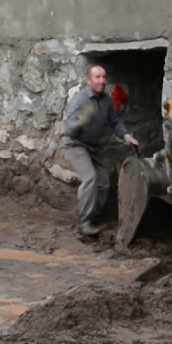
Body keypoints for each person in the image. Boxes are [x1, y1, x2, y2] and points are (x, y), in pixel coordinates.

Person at [62, 65, 139, 236]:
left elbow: (115, 121)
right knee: (90, 178)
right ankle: (84, 222)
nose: (102, 81)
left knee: (103, 182)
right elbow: (69, 130)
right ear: (89, 80)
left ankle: (93, 215)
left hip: (91, 147)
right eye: (97, 77)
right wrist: (81, 123)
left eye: (104, 77)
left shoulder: (106, 101)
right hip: (75, 144)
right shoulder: (80, 100)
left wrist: (126, 135)